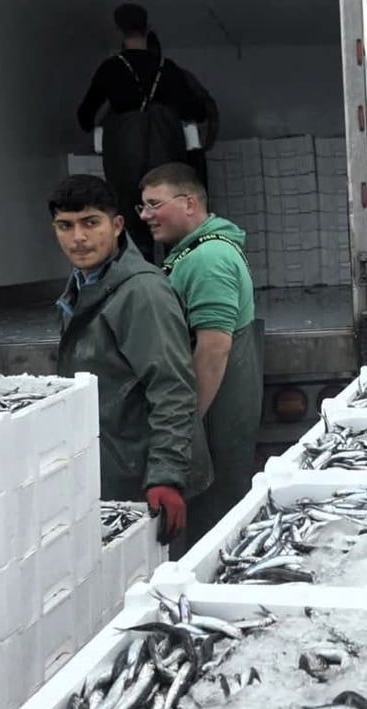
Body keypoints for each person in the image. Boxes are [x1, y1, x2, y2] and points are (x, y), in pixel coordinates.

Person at [48, 174, 211, 547]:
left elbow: (172, 386)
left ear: (118, 225)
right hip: (114, 468)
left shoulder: (142, 292)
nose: (78, 238)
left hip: (147, 480)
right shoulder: (84, 284)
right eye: (65, 226)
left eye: (91, 223)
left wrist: (167, 476)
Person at [138, 162, 260, 547]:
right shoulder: (195, 253)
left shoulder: (209, 260)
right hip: (211, 425)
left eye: (153, 204)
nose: (145, 216)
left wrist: (184, 429)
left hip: (214, 429)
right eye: (142, 206)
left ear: (189, 203)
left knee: (211, 537)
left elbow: (213, 349)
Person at [77, 3, 206, 262]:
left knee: (133, 220)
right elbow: (197, 111)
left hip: (125, 156)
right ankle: (175, 279)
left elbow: (85, 116)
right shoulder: (167, 68)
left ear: (119, 31)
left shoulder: (111, 69)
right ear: (148, 29)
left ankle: (143, 280)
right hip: (167, 154)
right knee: (171, 219)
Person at [146, 31, 219, 189]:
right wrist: (210, 137)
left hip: (166, 146)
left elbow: (207, 105)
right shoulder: (179, 74)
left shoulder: (129, 80)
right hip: (185, 141)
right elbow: (208, 104)